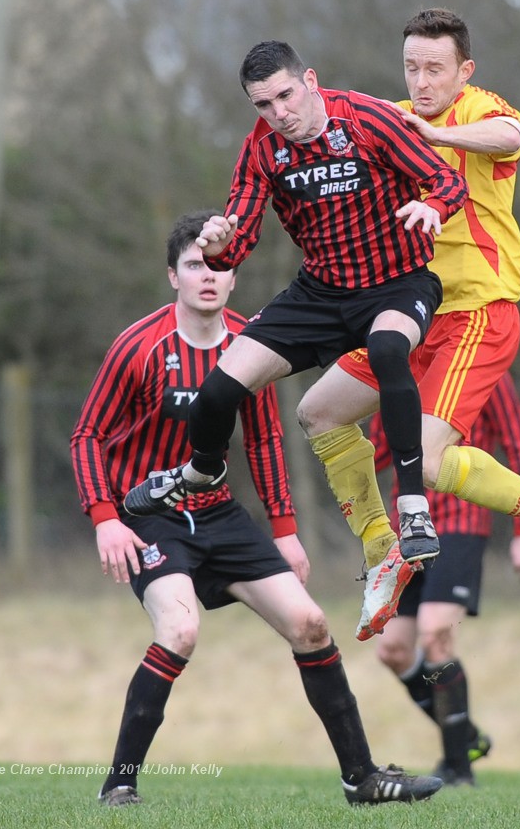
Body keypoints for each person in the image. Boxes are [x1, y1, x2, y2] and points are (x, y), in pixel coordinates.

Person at [70, 210, 443, 807]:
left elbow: (266, 439)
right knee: (181, 628)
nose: (208, 276)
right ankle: (120, 786)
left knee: (312, 625)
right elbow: (86, 435)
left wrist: (286, 531)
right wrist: (105, 518)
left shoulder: (253, 344)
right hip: (150, 516)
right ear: (173, 277)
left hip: (219, 513)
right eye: (194, 265)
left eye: (219, 265)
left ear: (234, 277)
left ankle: (362, 779)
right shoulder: (138, 347)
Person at [123, 40, 470, 640]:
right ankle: (203, 470)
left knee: (389, 351)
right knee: (218, 389)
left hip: (397, 283)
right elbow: (237, 241)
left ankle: (413, 511)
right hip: (320, 295)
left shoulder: (368, 119)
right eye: (264, 104)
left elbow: (445, 182)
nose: (280, 112)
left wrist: (431, 209)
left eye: (286, 95)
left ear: (309, 81)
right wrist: (215, 241)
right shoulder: (262, 151)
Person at [296, 7, 520, 641]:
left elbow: (511, 138)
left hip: (479, 311)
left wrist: (433, 138)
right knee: (319, 411)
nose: (422, 81)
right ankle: (381, 549)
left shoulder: (474, 112)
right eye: (411, 67)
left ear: (463, 70)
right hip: (409, 312)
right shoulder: (389, 118)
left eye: (435, 68)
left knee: (432, 466)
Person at [368, 371, 520, 786]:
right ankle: (464, 736)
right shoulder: (396, 369)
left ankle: (458, 769)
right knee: (393, 650)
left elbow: (519, 445)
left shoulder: (484, 367)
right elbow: (376, 452)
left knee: (435, 634)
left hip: (461, 522)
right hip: (408, 530)